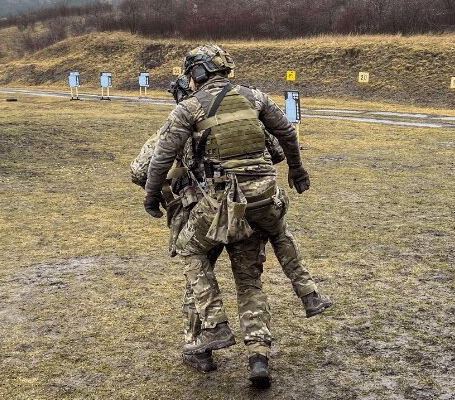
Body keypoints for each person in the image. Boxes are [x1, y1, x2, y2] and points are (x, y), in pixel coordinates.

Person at [131, 76, 332, 375]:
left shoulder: (172, 127)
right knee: (249, 281)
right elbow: (277, 150)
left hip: (202, 215)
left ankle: (200, 347)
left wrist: (169, 185)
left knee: (197, 280)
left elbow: (140, 170)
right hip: (245, 209)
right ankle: (259, 355)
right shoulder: (240, 113)